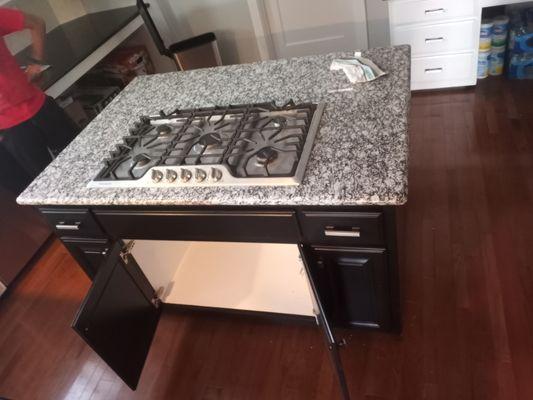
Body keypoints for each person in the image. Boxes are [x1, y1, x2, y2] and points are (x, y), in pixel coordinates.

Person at [0, 7, 77, 179]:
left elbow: (36, 23)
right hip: (9, 128)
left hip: (39, 106)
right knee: (45, 184)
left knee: (82, 157)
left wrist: (36, 62)